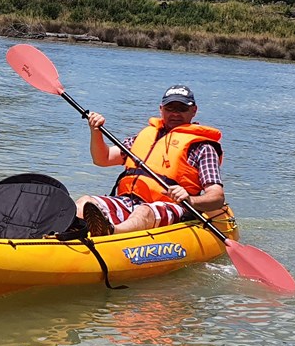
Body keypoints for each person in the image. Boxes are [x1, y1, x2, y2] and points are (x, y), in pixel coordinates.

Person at [75, 84, 225, 237]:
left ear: (194, 111)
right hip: (129, 201)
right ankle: (66, 235)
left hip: (173, 207)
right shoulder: (144, 137)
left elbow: (217, 197)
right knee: (85, 202)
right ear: (161, 109)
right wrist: (96, 131)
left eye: (181, 108)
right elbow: (103, 159)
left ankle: (112, 231)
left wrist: (191, 200)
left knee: (144, 211)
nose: (175, 114)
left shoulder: (202, 148)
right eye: (169, 108)